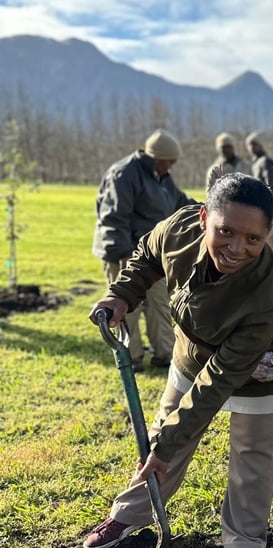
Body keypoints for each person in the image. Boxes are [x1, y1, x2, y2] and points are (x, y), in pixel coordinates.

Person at [83, 173, 273, 548]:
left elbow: (220, 378)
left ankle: (244, 545)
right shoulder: (177, 230)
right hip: (195, 348)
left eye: (252, 240)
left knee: (253, 455)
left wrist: (167, 447)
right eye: (225, 231)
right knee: (164, 435)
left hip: (267, 360)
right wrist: (122, 295)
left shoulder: (270, 291)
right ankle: (129, 515)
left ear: (267, 236)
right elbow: (148, 257)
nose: (236, 248)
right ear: (204, 217)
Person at [92, 130, 194, 372]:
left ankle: (164, 355)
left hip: (153, 255)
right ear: (156, 157)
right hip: (124, 253)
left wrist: (210, 210)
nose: (172, 166)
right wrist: (124, 253)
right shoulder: (124, 175)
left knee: (159, 303)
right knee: (126, 307)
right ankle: (131, 356)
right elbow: (113, 219)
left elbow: (180, 203)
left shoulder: (162, 177)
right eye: (169, 161)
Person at [246, 130, 273, 259]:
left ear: (261, 145)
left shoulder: (265, 162)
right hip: (267, 208)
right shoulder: (259, 162)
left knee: (258, 242)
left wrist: (265, 205)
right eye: (250, 145)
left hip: (269, 209)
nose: (252, 148)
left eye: (255, 144)